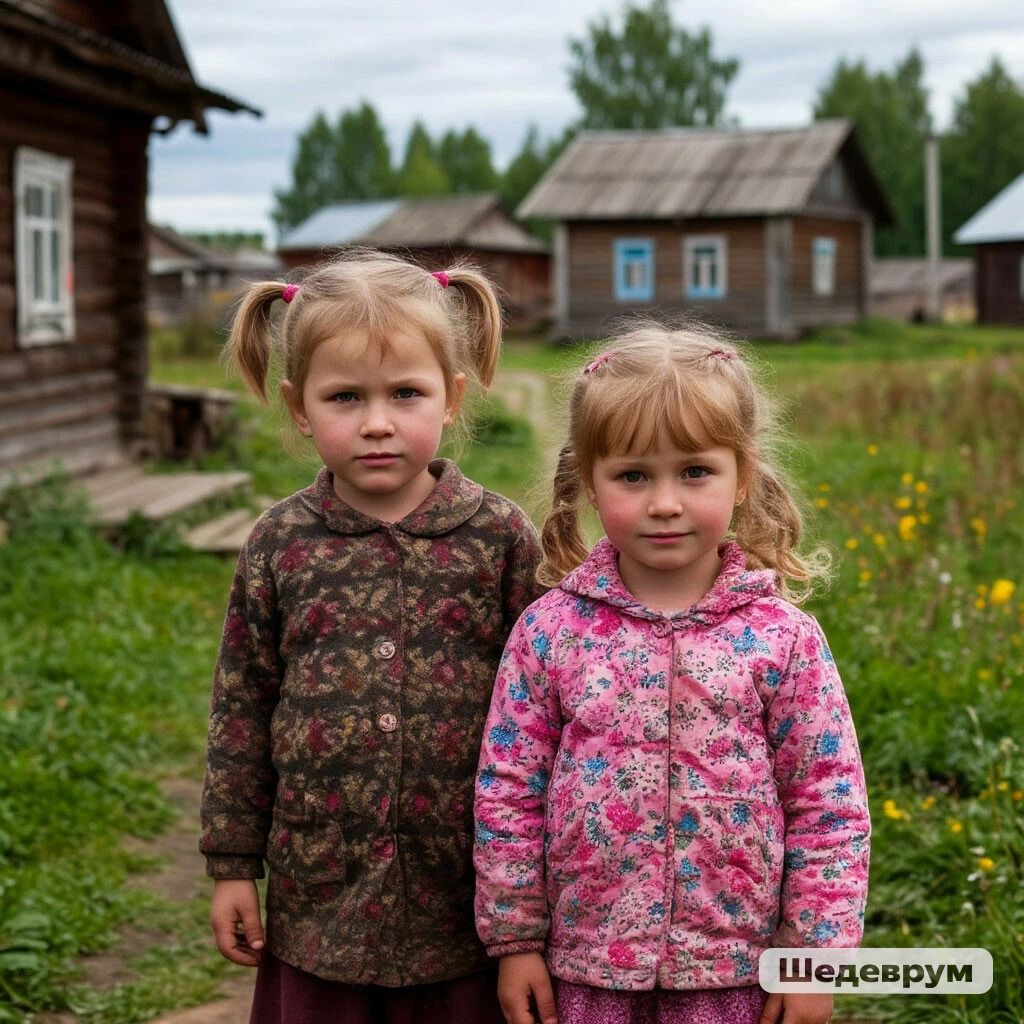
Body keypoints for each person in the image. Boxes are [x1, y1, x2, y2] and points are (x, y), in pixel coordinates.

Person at [474, 322, 870, 1024]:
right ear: (589, 482)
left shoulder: (783, 639)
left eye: (694, 472)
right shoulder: (550, 633)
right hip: (586, 969)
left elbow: (827, 803)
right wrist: (515, 941)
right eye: (633, 475)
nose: (664, 503)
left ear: (742, 476)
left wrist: (813, 958)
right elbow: (508, 792)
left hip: (737, 970)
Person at [200, 249, 543, 1024]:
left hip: (465, 900)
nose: (378, 422)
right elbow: (242, 709)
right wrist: (231, 864)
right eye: (345, 397)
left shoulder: (499, 538)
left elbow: (543, 715)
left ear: (452, 396)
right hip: (320, 899)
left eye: (406, 393)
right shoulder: (280, 543)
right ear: (299, 407)